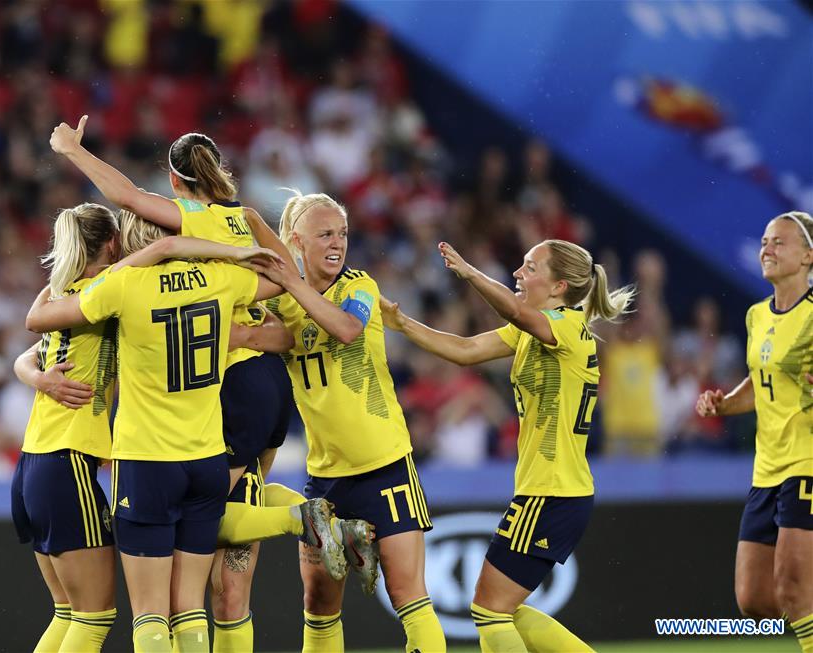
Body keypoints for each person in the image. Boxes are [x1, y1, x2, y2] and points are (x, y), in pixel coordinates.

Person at [48, 117, 357, 652]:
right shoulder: (234, 242)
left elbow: (123, 197)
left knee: (162, 602)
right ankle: (298, 515)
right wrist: (254, 315)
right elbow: (287, 273)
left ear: (175, 182)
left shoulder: (159, 253)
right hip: (258, 391)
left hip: (188, 420)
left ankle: (295, 518)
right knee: (216, 579)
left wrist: (73, 151)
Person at [381, 238, 635, 653]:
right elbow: (465, 350)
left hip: (551, 491)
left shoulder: (566, 327)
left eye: (530, 268)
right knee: (501, 610)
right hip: (552, 491)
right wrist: (402, 323)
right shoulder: (535, 331)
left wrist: (469, 273)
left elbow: (514, 311)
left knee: (489, 610)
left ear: (558, 287)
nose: (518, 273)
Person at [249, 191, 445, 653]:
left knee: (408, 595)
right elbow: (246, 331)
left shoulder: (359, 286)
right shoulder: (282, 304)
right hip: (325, 477)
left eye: (342, 233)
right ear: (297, 241)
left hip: (385, 466)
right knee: (318, 604)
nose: (337, 243)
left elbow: (347, 329)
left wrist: (290, 282)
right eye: (325, 234)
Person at [696, 211, 813, 653]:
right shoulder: (756, 315)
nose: (767, 248)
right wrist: (725, 403)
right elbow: (762, 380)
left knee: (795, 587)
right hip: (766, 468)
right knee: (755, 600)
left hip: (806, 461)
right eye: (764, 241)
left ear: (808, 256)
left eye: (779, 242)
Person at [10, 202, 119, 653]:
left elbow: (25, 354)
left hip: (33, 465)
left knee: (69, 613)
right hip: (67, 462)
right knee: (95, 617)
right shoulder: (106, 294)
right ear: (113, 243)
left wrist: (37, 378)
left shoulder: (60, 295)